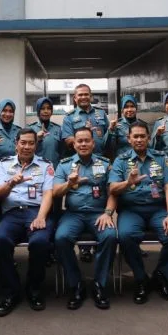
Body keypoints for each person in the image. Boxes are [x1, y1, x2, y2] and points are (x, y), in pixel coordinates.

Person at [108, 120, 168, 303]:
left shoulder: (161, 158)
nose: (139, 140)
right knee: (125, 236)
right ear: (129, 139)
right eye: (136, 136)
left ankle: (161, 275)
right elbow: (112, 189)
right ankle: (141, 278)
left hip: (158, 209)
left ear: (149, 138)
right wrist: (128, 183)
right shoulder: (121, 160)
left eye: (143, 136)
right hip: (131, 211)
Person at [0, 128, 56, 316]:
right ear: (16, 144)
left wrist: (41, 217)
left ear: (36, 145)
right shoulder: (4, 164)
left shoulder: (46, 165)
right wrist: (11, 183)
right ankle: (11, 290)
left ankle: (34, 289)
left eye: (31, 143)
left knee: (40, 242)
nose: (27, 146)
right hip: (11, 213)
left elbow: (48, 194)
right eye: (23, 142)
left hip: (36, 211)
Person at [53, 127, 117, 310]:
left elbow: (112, 192)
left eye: (86, 140)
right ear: (73, 145)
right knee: (61, 238)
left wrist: (108, 213)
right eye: (79, 141)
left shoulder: (105, 164)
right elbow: (55, 192)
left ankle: (100, 284)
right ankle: (76, 284)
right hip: (74, 214)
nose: (83, 144)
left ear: (93, 143)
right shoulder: (64, 165)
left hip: (99, 214)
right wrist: (69, 184)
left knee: (110, 236)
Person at [60, 83, 111, 157]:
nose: (83, 97)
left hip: (101, 158)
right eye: (80, 95)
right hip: (80, 160)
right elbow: (68, 140)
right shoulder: (69, 117)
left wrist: (112, 130)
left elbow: (108, 137)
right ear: (75, 98)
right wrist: (84, 135)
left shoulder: (101, 113)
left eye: (86, 94)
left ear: (91, 97)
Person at [29, 96, 62, 165]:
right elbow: (26, 151)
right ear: (38, 111)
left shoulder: (58, 129)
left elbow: (62, 152)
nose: (46, 111)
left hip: (54, 170)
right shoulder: (30, 129)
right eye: (42, 108)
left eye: (49, 108)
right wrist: (37, 139)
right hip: (36, 171)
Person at [108, 95, 141, 159]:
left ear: (136, 108)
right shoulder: (117, 126)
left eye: (132, 106)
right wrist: (111, 130)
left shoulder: (142, 125)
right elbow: (109, 147)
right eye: (126, 107)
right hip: (122, 162)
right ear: (122, 110)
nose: (129, 109)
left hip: (138, 161)